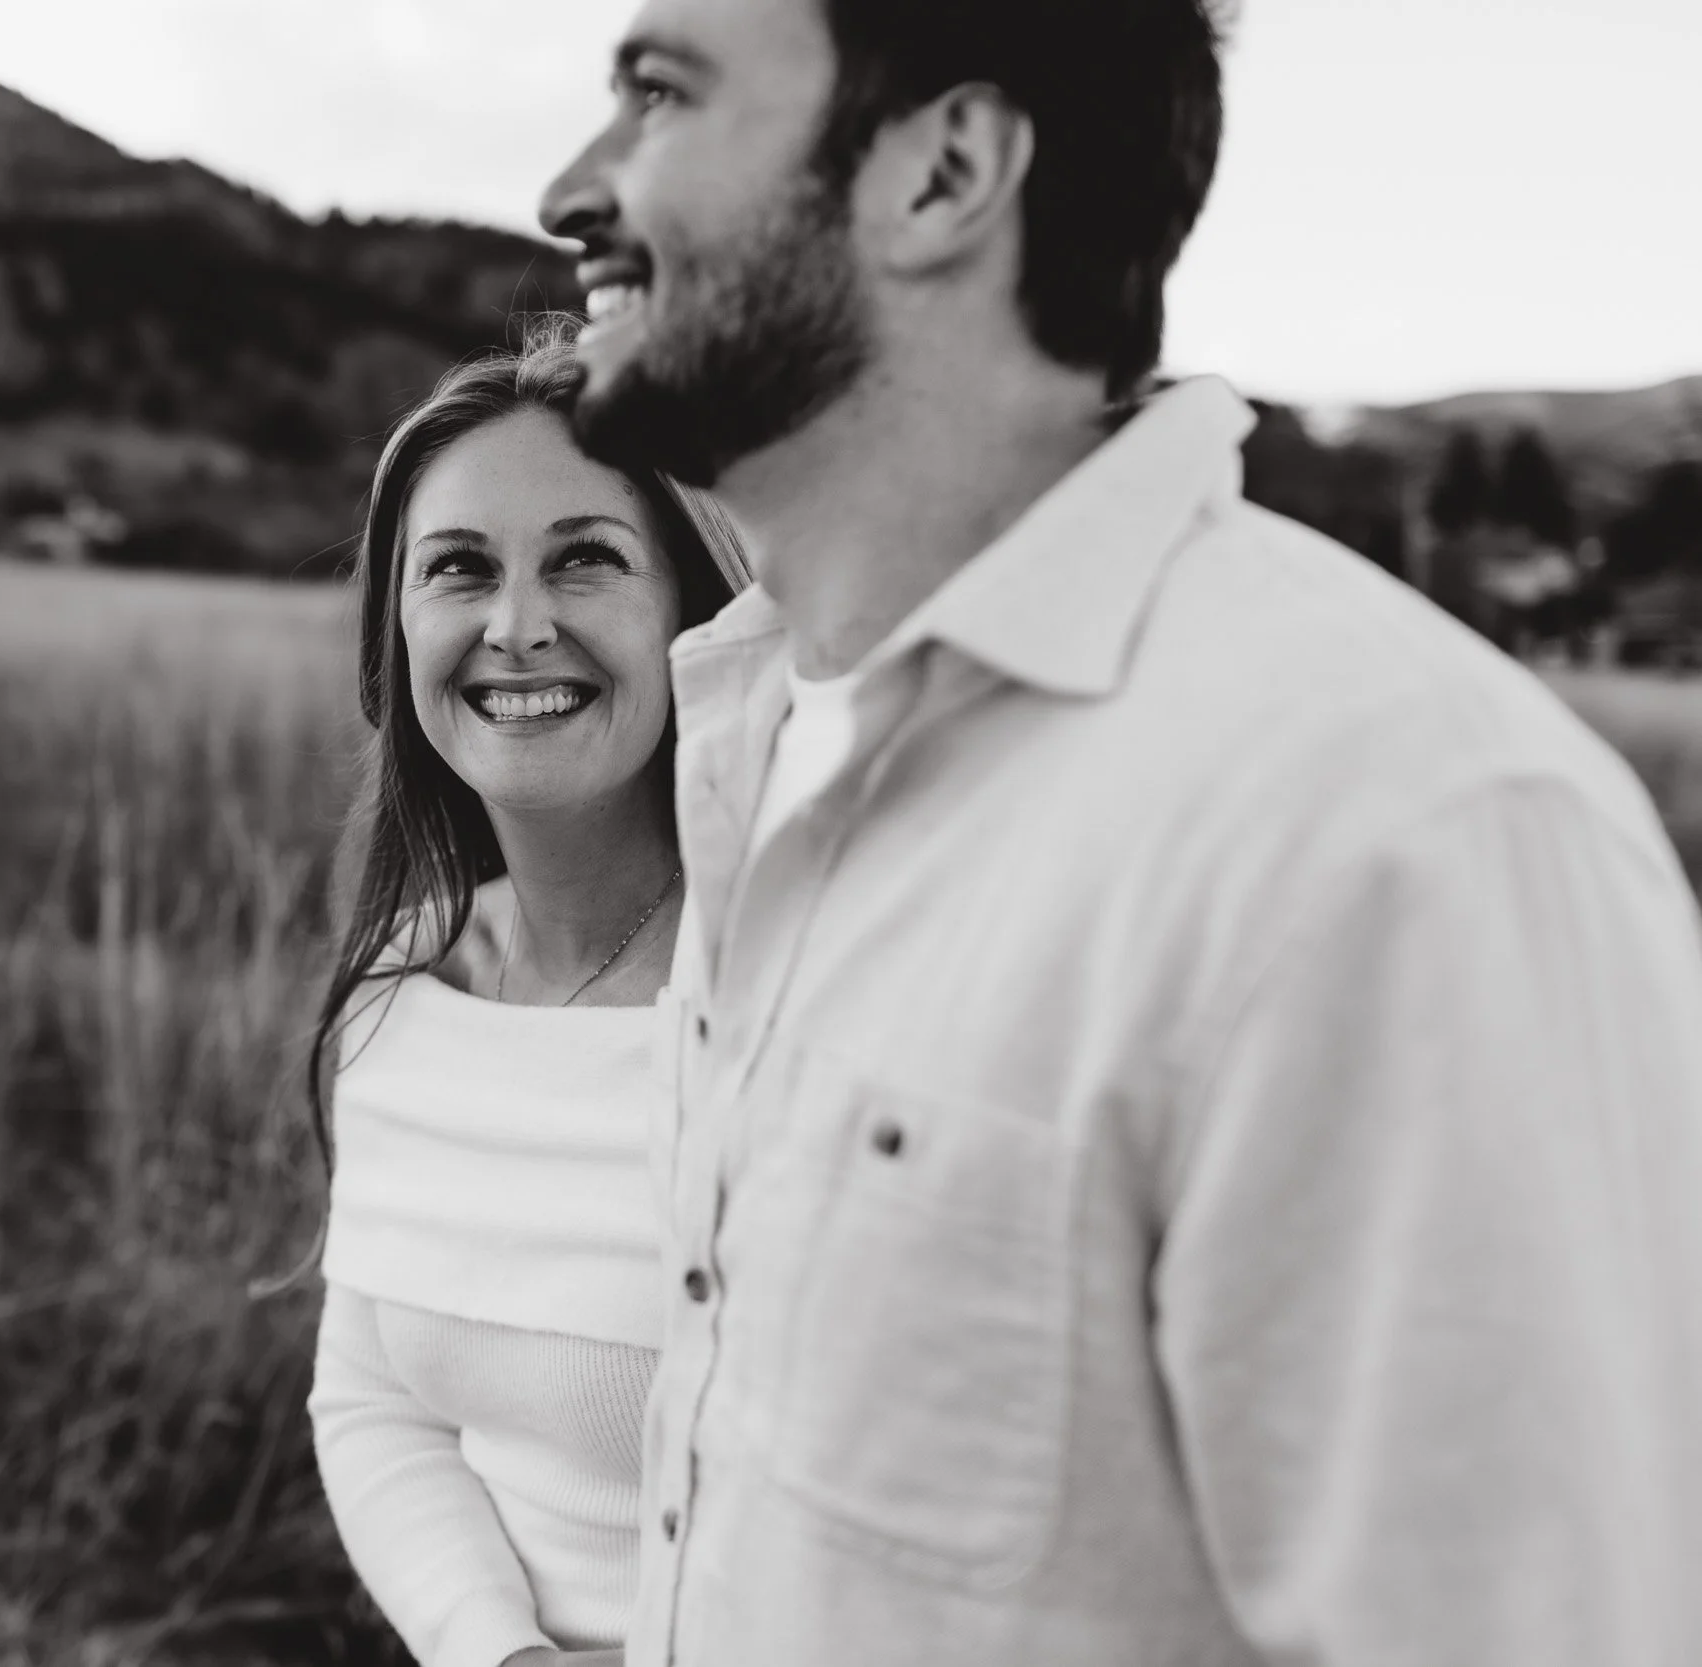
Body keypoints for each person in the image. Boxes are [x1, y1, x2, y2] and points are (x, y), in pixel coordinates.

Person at [533, 2, 1702, 1664]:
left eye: (659, 93)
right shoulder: (759, 742)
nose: (571, 188)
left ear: (942, 174)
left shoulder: (1404, 834)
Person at [303, 326, 747, 1667]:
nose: (517, 626)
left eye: (585, 558)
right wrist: (496, 1649)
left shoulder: (794, 991)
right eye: (458, 569)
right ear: (400, 629)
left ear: (691, 608)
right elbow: (374, 1399)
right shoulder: (399, 985)